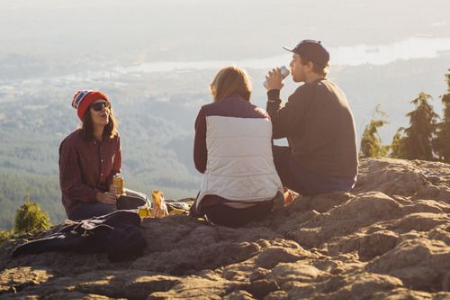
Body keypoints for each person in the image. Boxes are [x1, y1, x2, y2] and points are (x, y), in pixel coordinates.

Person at [191, 66, 283, 227]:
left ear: (217, 87)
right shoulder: (264, 116)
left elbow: (200, 164)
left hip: (220, 212)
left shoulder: (207, 113)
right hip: (262, 209)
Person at [264, 40, 358, 197]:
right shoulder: (334, 88)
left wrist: (273, 92)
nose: (290, 64)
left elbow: (272, 128)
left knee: (259, 153)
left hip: (320, 181)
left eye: (295, 60)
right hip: (345, 180)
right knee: (282, 156)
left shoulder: (308, 91)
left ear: (308, 66)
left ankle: (265, 203)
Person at [59, 90, 146, 220]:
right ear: (87, 114)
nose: (104, 110)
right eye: (97, 107)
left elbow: (115, 170)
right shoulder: (71, 144)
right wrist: (99, 196)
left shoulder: (114, 138)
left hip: (107, 197)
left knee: (144, 201)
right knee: (117, 210)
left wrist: (112, 185)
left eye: (106, 105)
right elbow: (70, 187)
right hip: (81, 207)